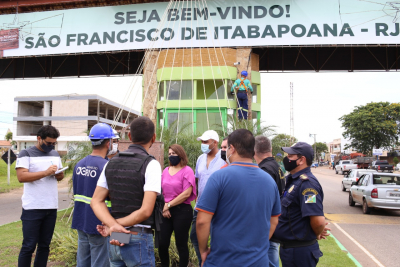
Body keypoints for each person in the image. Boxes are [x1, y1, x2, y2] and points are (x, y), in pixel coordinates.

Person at [196, 129, 281, 266]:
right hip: (258, 261)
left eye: (227, 147)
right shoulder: (269, 181)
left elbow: (202, 221)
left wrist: (203, 250)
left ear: (232, 149)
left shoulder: (219, 177)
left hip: (222, 261)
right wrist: (259, 247)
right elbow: (274, 221)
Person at [91, 117, 163, 267]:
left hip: (116, 237)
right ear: (153, 138)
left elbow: (96, 201)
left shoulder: (110, 163)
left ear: (129, 137)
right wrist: (115, 225)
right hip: (137, 236)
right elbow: (145, 211)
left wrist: (112, 225)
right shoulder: (151, 164)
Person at [16, 125, 65, 267]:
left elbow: (58, 176)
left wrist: (60, 175)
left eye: (53, 143)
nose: (51, 146)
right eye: (48, 143)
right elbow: (21, 177)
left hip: (51, 206)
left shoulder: (55, 155)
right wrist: (46, 173)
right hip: (33, 207)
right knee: (29, 246)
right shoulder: (26, 153)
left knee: (45, 246)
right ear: (39, 138)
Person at [272, 142, 326, 267]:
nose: (287, 159)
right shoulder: (294, 181)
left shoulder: (307, 185)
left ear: (301, 160)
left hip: (299, 252)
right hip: (290, 250)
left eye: (290, 156)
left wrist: (316, 232)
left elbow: (318, 221)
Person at [71, 123, 114, 267]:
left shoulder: (79, 164)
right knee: (100, 263)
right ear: (108, 143)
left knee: (83, 262)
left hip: (81, 220)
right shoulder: (106, 166)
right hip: (100, 223)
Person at [190, 130, 226, 266]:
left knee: (217, 238)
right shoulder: (200, 158)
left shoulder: (223, 159)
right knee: (194, 236)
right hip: (200, 205)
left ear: (215, 142)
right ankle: (203, 262)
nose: (203, 144)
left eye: (205, 142)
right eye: (202, 142)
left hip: (217, 207)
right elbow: (198, 179)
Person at [159, 144, 196, 267]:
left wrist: (168, 205)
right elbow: (161, 191)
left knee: (181, 244)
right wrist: (164, 207)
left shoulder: (187, 171)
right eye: (169, 154)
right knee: (162, 243)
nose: (171, 156)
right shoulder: (165, 171)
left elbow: (186, 194)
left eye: (174, 154)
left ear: (180, 155)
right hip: (165, 211)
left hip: (182, 211)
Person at [253, 135, 285, 267]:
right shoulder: (276, 166)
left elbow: (261, 202)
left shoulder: (265, 170)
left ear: (253, 151)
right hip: (274, 224)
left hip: (267, 229)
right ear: (270, 148)